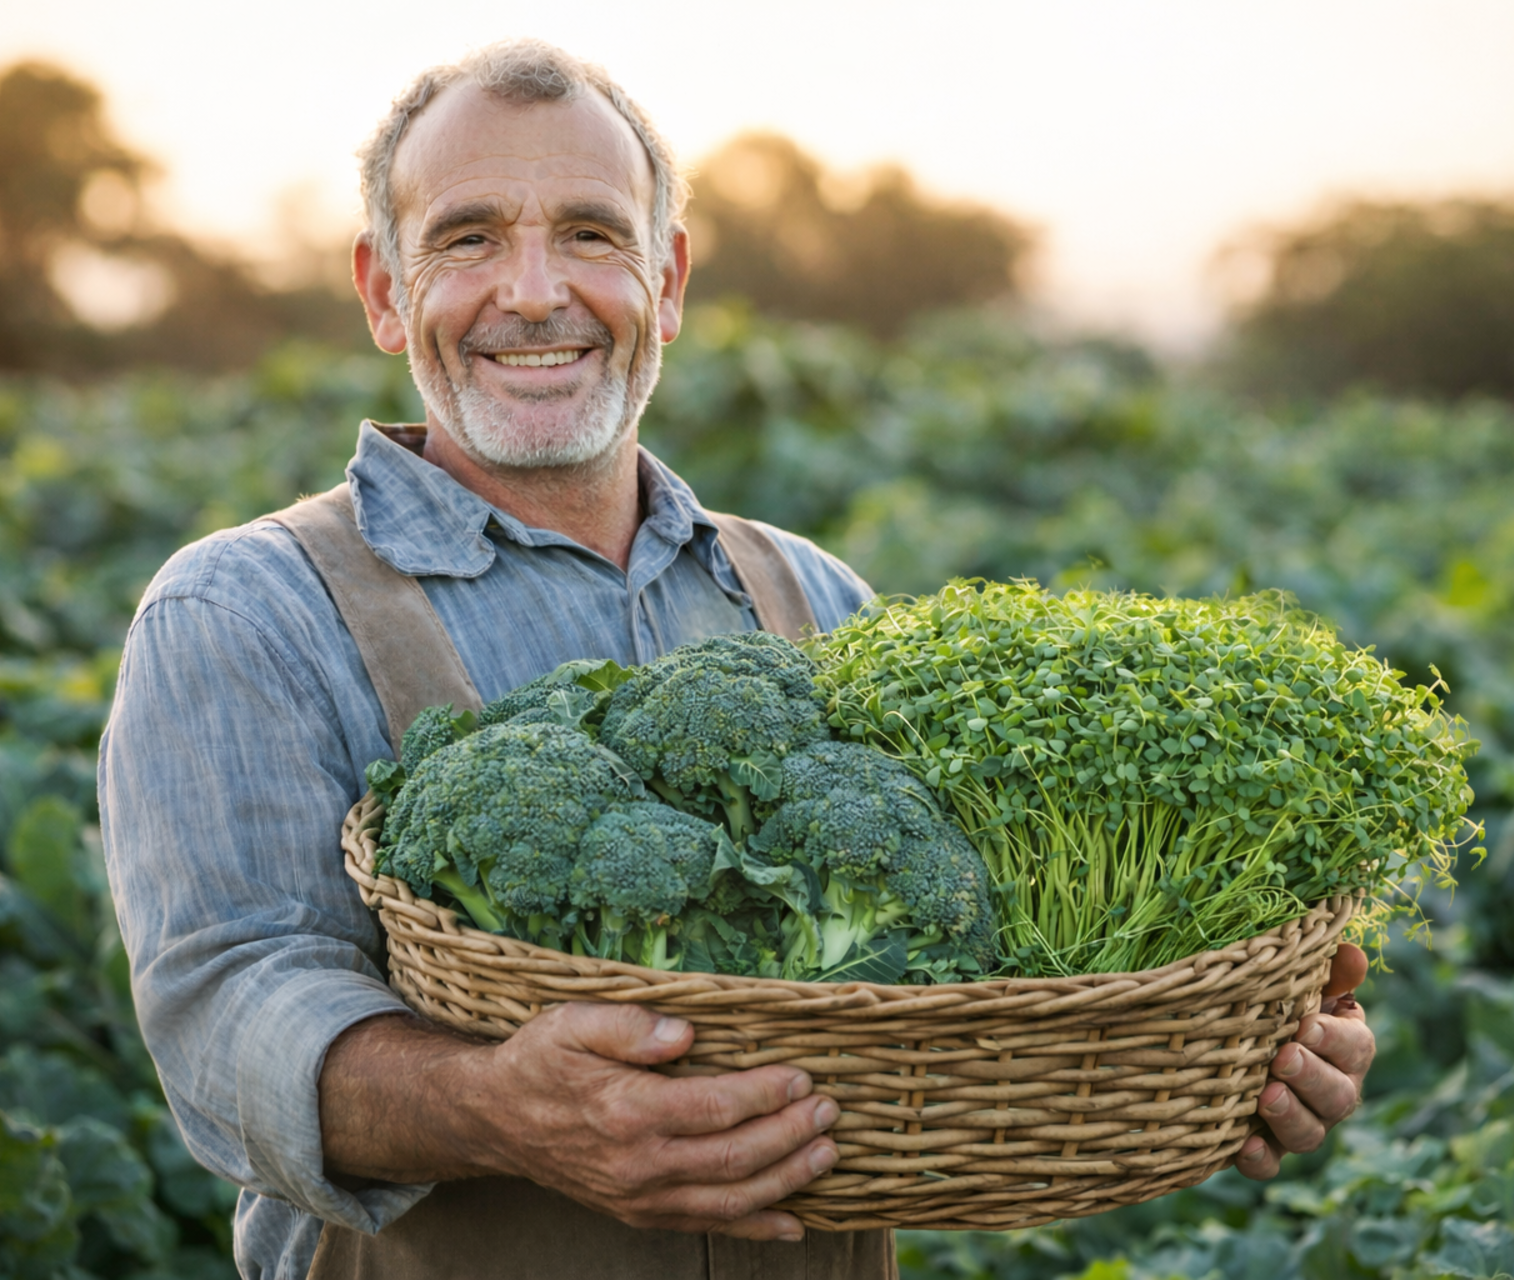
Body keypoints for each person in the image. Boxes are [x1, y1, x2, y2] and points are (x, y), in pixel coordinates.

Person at [98, 38, 1377, 1280]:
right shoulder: (246, 608)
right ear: (385, 291)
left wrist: (1223, 1050)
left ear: (672, 279)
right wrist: (495, 1106)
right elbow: (228, 1012)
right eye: (469, 236)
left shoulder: (817, 596)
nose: (535, 291)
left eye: (593, 234)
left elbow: (973, 979)